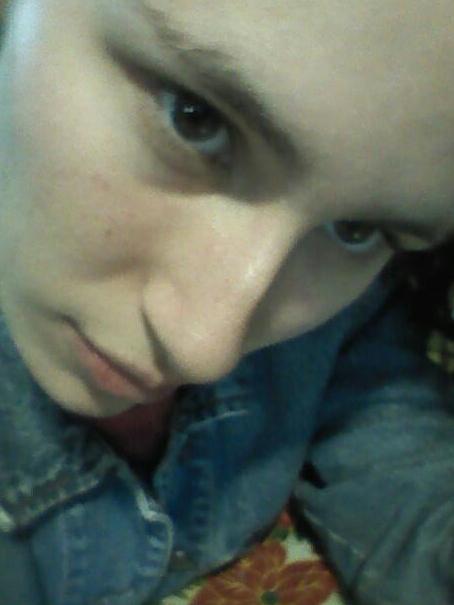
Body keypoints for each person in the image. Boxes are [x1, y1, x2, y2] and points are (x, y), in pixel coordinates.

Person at [0, 1, 453, 603]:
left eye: (357, 229)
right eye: (193, 118)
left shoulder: (335, 320)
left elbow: (384, 434)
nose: (206, 350)